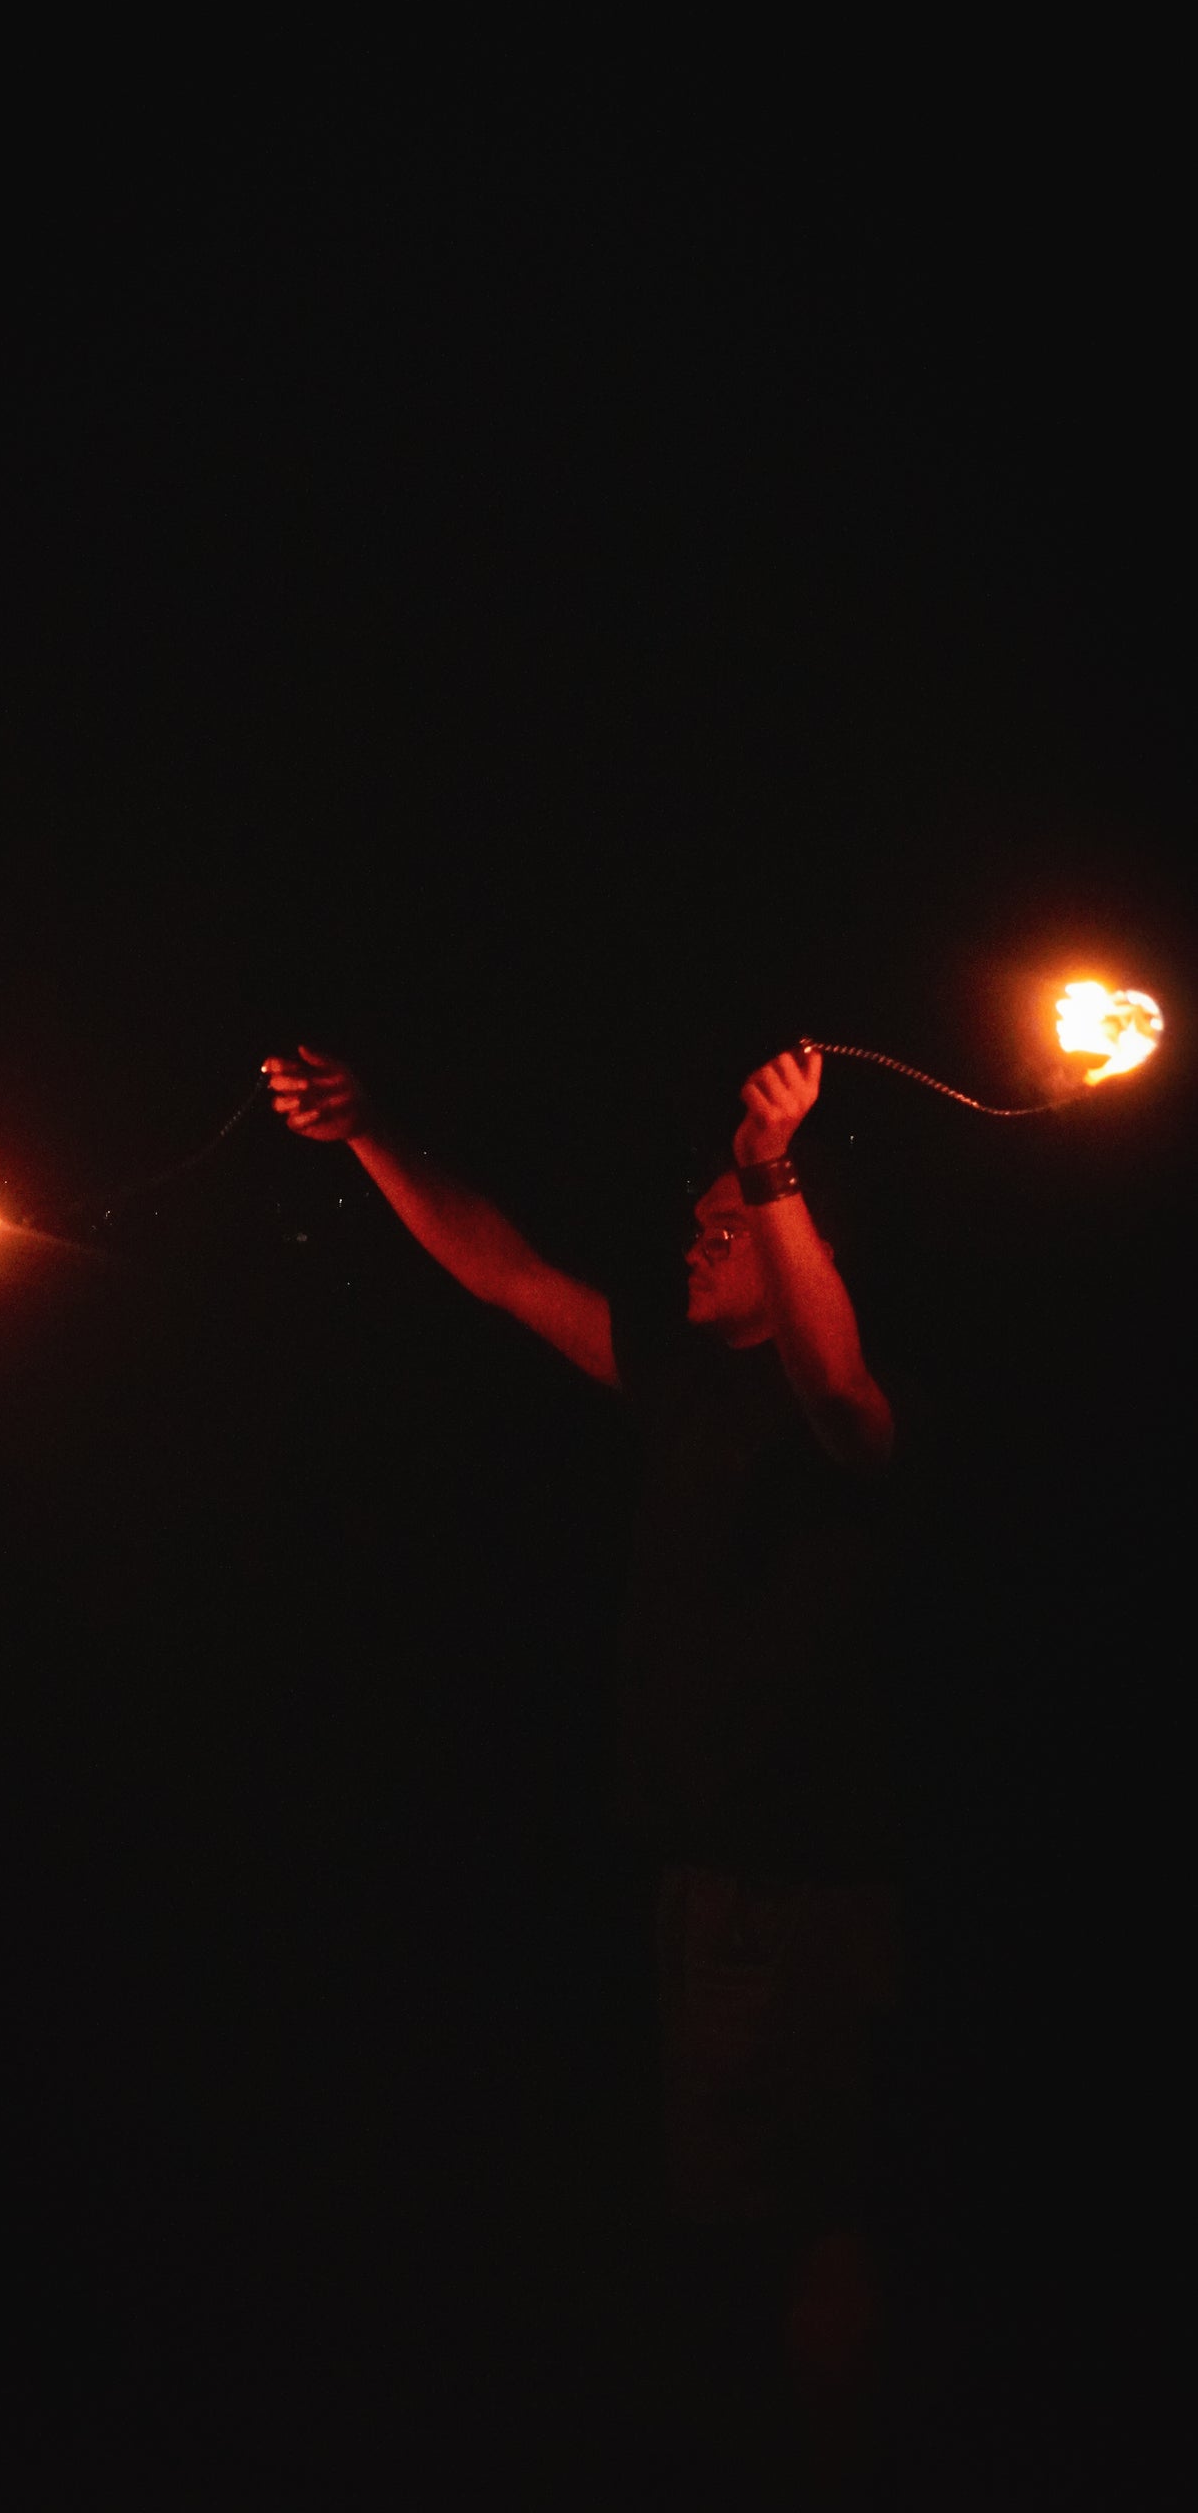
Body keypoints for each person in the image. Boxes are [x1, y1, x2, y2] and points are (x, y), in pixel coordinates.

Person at [262, 1039, 900, 2502]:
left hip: (808, 1886)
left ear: (805, 1243)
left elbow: (846, 1397)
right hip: (700, 1875)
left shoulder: (849, 1413)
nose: (696, 1234)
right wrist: (370, 1133)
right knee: (737, 2232)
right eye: (704, 1214)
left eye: (723, 1226)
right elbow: (502, 1270)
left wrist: (771, 1174)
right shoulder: (677, 1380)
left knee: (825, 2220)